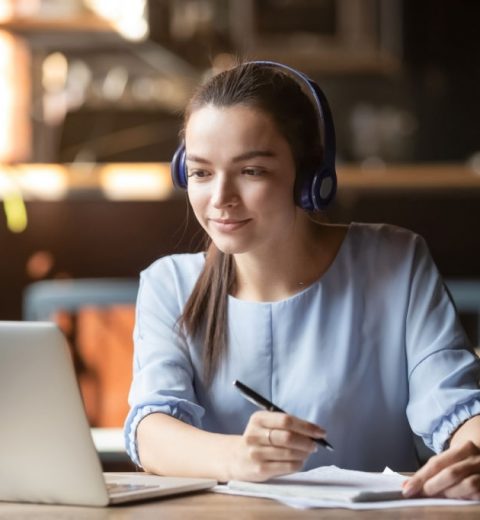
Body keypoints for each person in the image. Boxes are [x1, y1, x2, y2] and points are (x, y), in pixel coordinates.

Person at [124, 61, 480, 499]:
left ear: (310, 177)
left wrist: (473, 450)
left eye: (251, 171)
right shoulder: (169, 284)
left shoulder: (396, 262)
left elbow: (456, 404)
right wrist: (241, 457)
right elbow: (152, 431)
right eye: (201, 172)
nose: (220, 199)